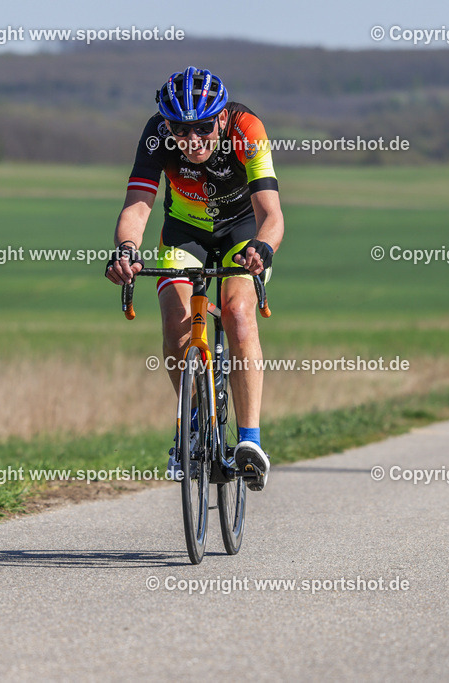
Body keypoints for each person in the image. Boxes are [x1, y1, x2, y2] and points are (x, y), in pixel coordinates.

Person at [104, 66, 284, 491]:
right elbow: (138, 206)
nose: (193, 139)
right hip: (185, 232)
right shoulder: (155, 134)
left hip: (242, 233)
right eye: (182, 131)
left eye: (203, 127)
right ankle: (194, 420)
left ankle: (249, 441)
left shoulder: (247, 128)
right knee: (175, 323)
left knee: (239, 315)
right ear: (167, 125)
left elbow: (271, 213)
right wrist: (127, 250)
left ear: (221, 118)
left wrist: (264, 246)